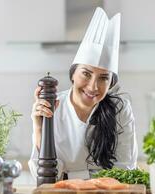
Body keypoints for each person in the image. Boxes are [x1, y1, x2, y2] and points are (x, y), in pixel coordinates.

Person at [29, 7, 138, 182]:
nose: (93, 86)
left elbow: (124, 172)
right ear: (73, 74)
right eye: (86, 73)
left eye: (103, 78)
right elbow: (46, 179)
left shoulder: (120, 109)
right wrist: (39, 128)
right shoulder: (52, 107)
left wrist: (69, 176)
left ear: (111, 83)